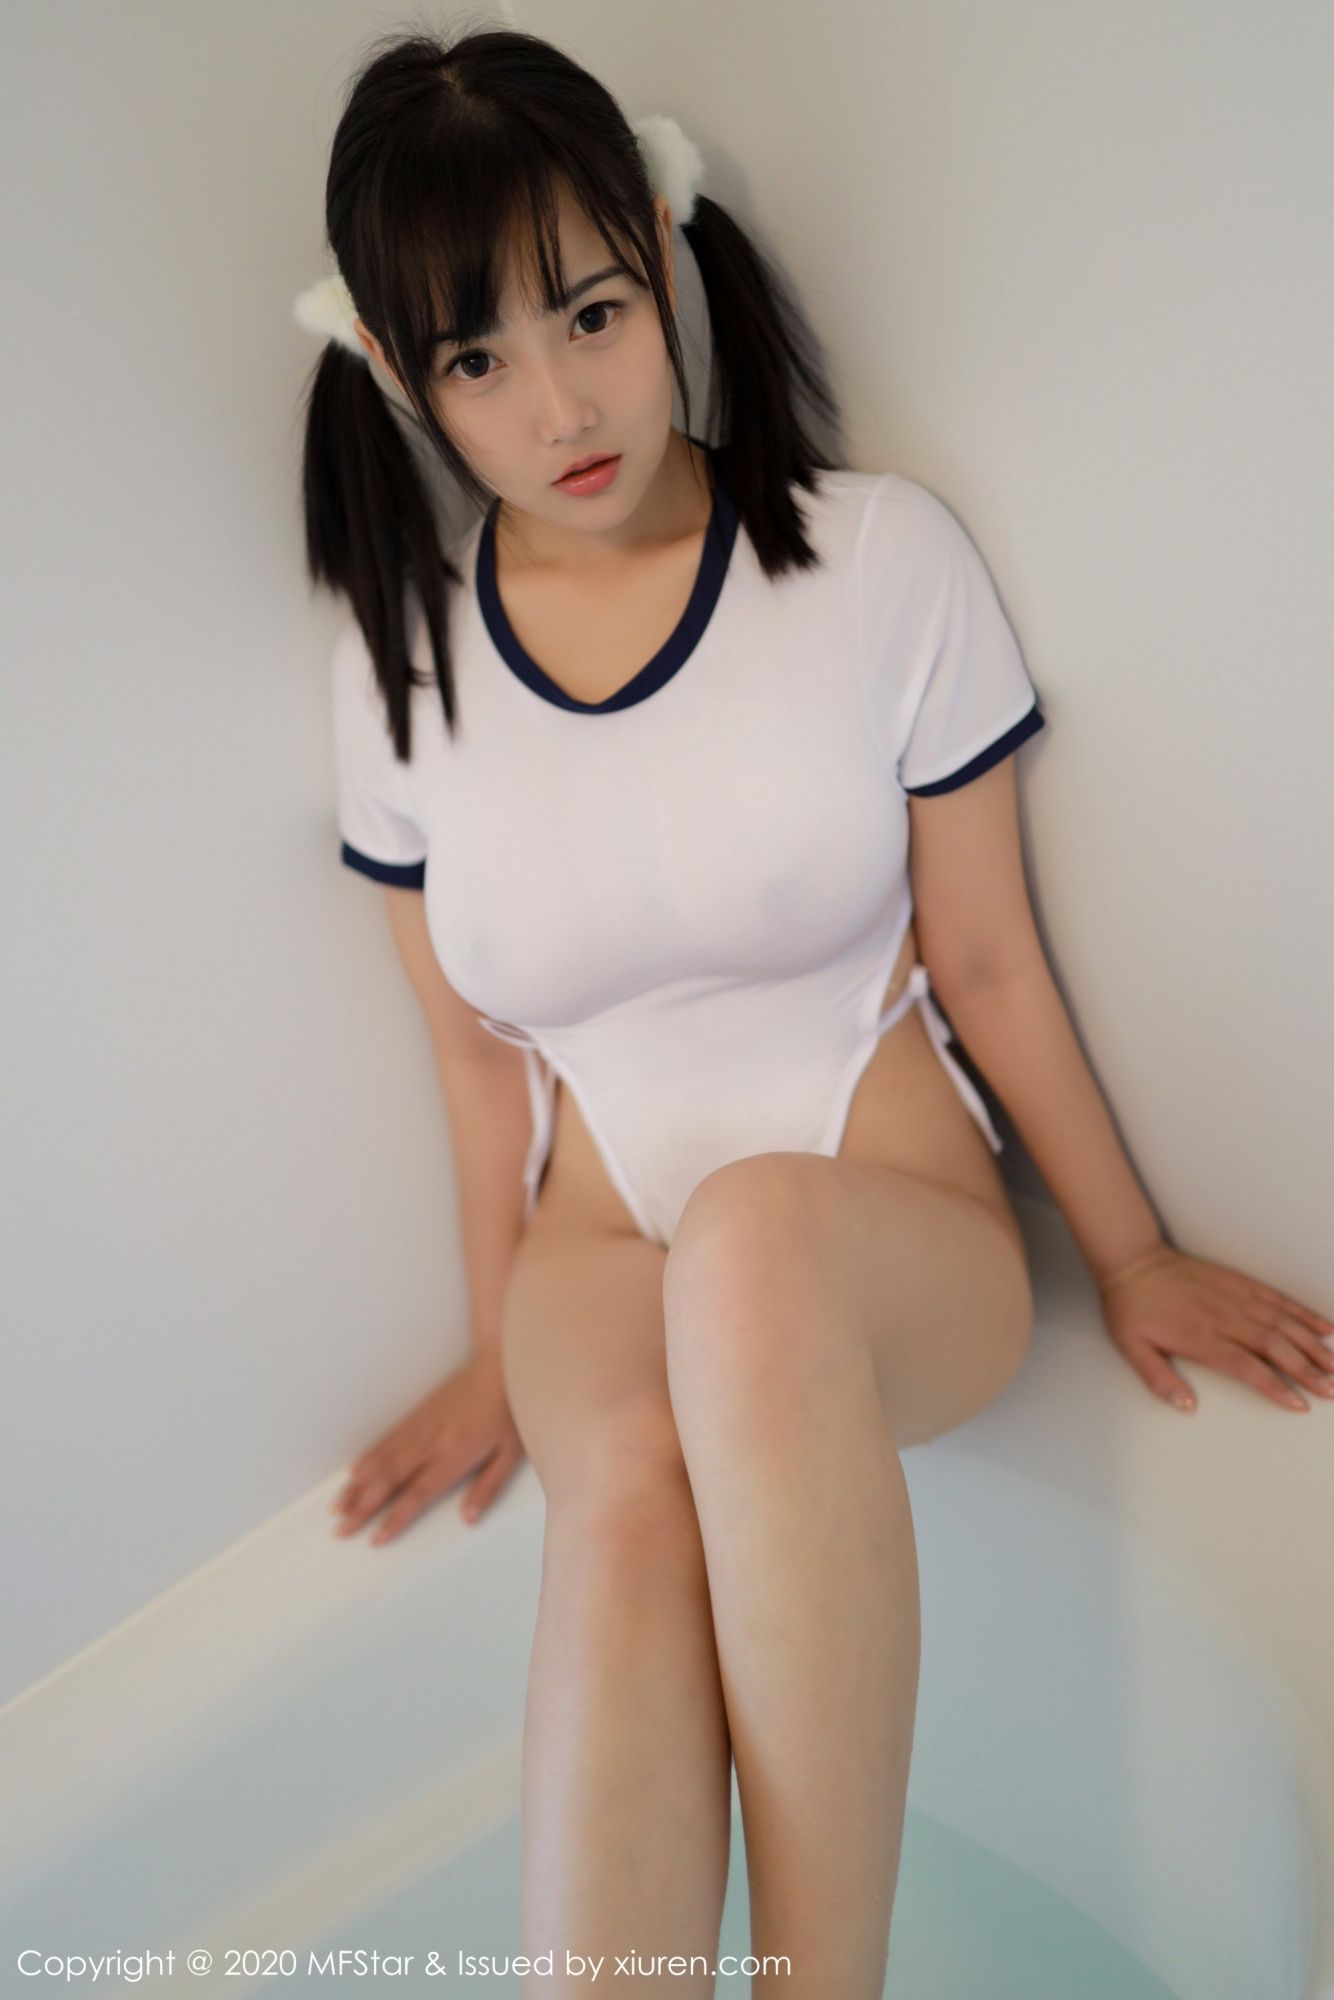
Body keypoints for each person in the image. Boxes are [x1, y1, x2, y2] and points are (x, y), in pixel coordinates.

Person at [297, 26, 1334, 1995]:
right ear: (393, 371)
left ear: (661, 248)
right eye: (476, 361)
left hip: (879, 1223)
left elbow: (987, 958)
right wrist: (491, 1346)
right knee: (619, 1505)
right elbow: (470, 1058)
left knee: (755, 1247)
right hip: (600, 1245)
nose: (560, 404)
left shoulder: (870, 560)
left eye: (592, 313)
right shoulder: (398, 669)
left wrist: (1128, 1255)